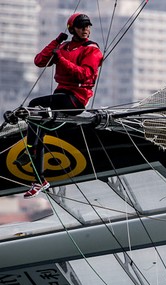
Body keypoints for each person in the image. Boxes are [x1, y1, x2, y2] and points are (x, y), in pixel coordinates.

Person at [5, 13, 103, 198]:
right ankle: (38, 177)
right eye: (82, 26)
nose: (86, 30)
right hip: (61, 95)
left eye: (88, 26)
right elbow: (39, 61)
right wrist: (56, 41)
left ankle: (31, 151)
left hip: (76, 99)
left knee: (35, 108)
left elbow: (84, 75)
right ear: (71, 28)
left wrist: (61, 60)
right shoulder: (64, 46)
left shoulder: (92, 50)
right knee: (37, 122)